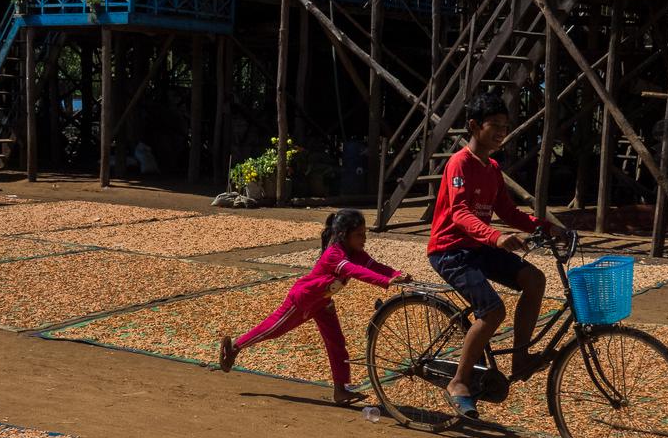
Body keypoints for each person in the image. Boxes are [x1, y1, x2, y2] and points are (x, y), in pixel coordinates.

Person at [428, 89, 570, 417]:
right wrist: (496, 237)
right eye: (495, 125)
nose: (501, 132)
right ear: (475, 126)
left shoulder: (491, 167)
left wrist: (548, 228)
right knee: (492, 311)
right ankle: (459, 381)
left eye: (505, 126)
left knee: (534, 279)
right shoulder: (458, 164)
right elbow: (459, 213)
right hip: (450, 251)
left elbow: (508, 211)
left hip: (479, 247)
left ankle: (520, 359)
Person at [220, 209, 409, 405]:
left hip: (323, 302)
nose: (364, 239)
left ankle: (340, 389)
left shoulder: (355, 253)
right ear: (344, 235)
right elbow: (357, 271)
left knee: (336, 342)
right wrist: (387, 281)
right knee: (273, 329)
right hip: (303, 301)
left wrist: (396, 274)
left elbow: (374, 265)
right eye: (359, 235)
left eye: (364, 233)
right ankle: (235, 346)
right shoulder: (334, 255)